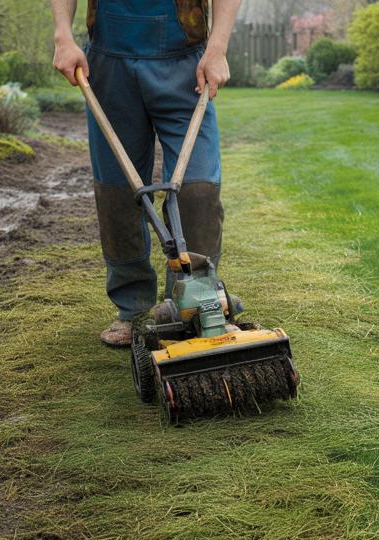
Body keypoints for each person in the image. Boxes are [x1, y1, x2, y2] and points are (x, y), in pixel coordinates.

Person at [50, 0, 239, 347]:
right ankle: (133, 307)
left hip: (186, 68)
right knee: (117, 193)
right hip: (110, 66)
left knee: (198, 190)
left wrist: (218, 47)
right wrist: (63, 36)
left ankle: (191, 302)